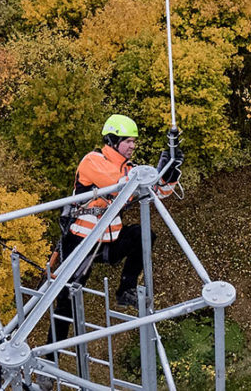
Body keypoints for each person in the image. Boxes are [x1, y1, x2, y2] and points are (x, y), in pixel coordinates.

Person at [47, 114, 182, 349]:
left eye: (134, 141)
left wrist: (170, 170)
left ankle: (125, 289)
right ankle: (51, 356)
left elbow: (158, 192)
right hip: (80, 242)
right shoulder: (93, 161)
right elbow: (123, 185)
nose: (132, 146)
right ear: (112, 141)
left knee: (144, 234)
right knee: (65, 302)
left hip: (108, 242)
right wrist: (153, 173)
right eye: (128, 141)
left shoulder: (130, 169)